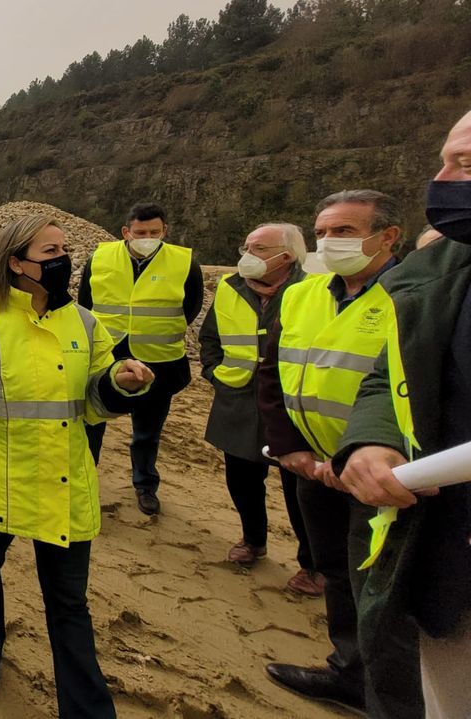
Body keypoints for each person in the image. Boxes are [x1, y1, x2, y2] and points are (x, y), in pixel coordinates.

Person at [0, 215, 154, 718]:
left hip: (63, 481)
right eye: (50, 253)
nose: (63, 261)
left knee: (69, 604)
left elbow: (95, 402)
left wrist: (122, 384)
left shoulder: (87, 324)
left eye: (63, 250)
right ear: (16, 263)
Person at [256, 190, 422, 718]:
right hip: (314, 464)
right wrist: (291, 450)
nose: (328, 242)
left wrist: (361, 454)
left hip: (382, 474)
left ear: (388, 236)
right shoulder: (301, 295)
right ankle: (348, 671)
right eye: (322, 232)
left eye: (344, 232)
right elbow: (272, 371)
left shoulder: (412, 294)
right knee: (334, 570)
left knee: (380, 593)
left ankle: (392, 701)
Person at [334, 109, 471, 719]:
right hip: (448, 569)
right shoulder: (443, 276)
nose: (441, 179)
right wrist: (368, 441)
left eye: (462, 164)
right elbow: (395, 379)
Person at [199, 223, 322, 594]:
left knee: (299, 491)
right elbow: (210, 336)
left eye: (259, 249)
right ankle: (253, 540)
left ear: (287, 256)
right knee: (241, 479)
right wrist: (213, 370)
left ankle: (312, 565)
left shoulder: (311, 290)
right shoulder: (229, 286)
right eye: (246, 246)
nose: (247, 256)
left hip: (289, 405)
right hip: (236, 399)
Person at [79, 202, 204, 515]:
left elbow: (190, 308)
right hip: (106, 356)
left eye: (154, 232)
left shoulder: (185, 263)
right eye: (140, 232)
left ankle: (145, 486)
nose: (147, 237)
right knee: (92, 422)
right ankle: (83, 483)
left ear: (165, 231)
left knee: (148, 431)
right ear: (126, 232)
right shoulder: (100, 257)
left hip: (158, 360)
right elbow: (85, 303)